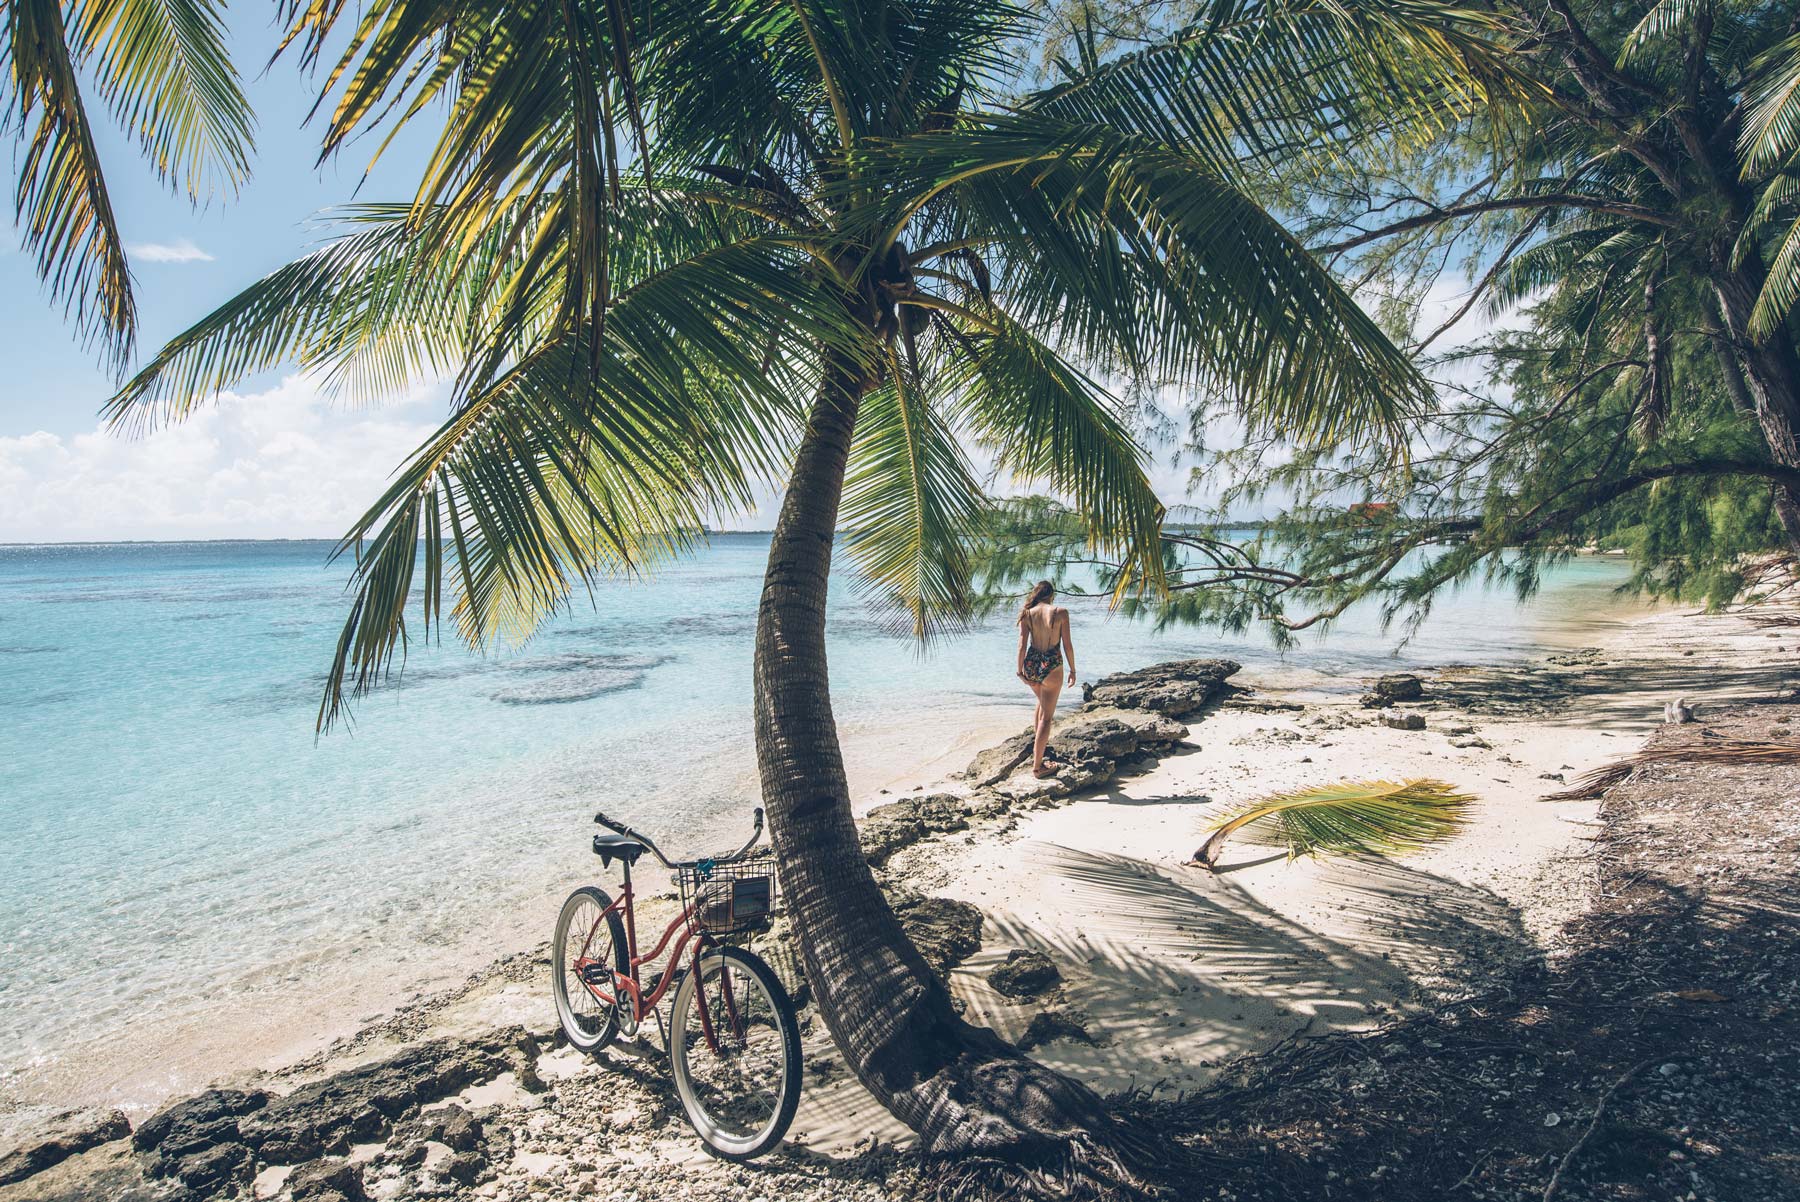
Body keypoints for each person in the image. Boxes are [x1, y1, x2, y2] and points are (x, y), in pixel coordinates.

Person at [1014, 580, 1077, 778]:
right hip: (1051, 664)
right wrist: (1073, 669)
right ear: (1051, 594)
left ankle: (1039, 747)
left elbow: (1022, 646)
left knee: (1041, 703)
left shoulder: (1027, 613)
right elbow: (1067, 645)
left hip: (1031, 663)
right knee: (1047, 718)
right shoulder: (1061, 612)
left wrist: (1020, 672)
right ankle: (1038, 767)